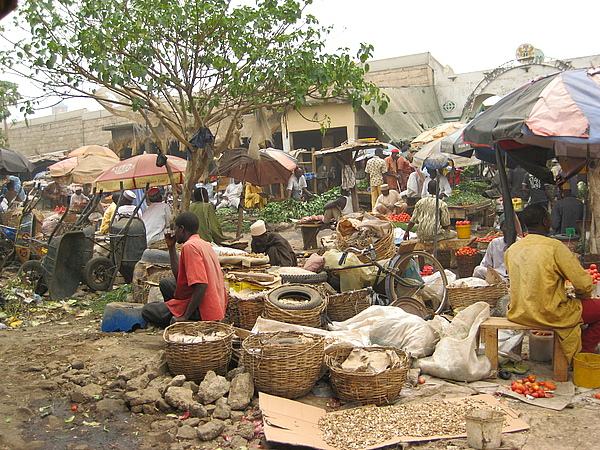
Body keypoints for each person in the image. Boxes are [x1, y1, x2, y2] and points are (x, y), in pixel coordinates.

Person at [505, 204, 600, 361]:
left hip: (519, 313)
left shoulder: (512, 249)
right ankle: (583, 354)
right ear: (545, 221)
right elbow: (583, 284)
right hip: (550, 313)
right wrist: (583, 296)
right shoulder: (554, 247)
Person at [141, 212, 227, 327]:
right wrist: (171, 248)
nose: (174, 232)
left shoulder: (189, 247)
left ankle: (183, 319)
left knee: (148, 310)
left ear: (182, 229)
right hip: (216, 303)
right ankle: (175, 310)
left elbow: (201, 285)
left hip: (204, 310)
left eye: (175, 228)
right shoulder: (204, 244)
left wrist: (184, 317)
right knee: (166, 283)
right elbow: (179, 276)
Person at [473, 215, 514, 280]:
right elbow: (485, 264)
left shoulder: (520, 243)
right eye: (506, 226)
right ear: (501, 228)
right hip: (497, 277)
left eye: (511, 227)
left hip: (514, 278)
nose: (509, 230)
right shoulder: (495, 243)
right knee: (478, 270)